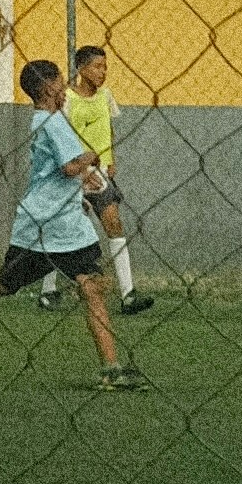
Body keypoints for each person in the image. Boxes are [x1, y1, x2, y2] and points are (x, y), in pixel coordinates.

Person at [0, 59, 143, 392]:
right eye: (60, 80)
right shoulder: (52, 123)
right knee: (2, 285)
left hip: (65, 226)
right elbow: (69, 167)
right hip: (41, 226)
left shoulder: (49, 120)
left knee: (93, 285)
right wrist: (92, 158)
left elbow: (58, 174)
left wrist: (77, 191)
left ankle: (110, 369)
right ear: (49, 88)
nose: (66, 85)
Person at [39, 45, 153, 316]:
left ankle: (128, 294)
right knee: (62, 230)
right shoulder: (66, 98)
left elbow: (108, 128)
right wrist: (79, 171)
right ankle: (48, 290)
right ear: (80, 69)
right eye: (96, 67)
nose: (102, 73)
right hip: (74, 174)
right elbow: (59, 135)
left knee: (114, 223)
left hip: (99, 173)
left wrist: (110, 160)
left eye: (105, 67)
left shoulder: (106, 97)